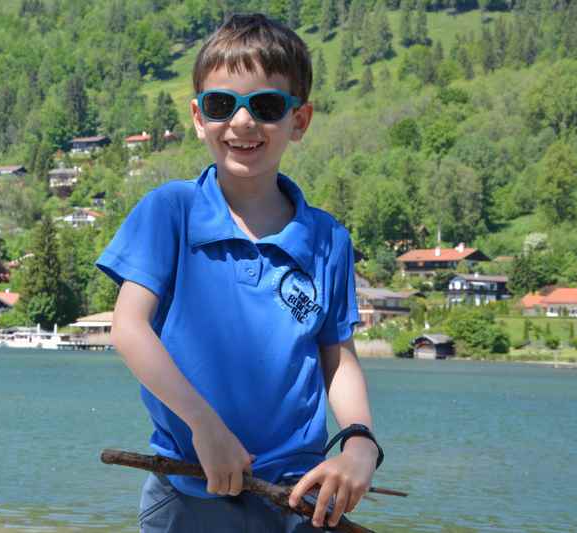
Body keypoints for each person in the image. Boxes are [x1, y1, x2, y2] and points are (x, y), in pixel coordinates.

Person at [96, 13, 382, 533]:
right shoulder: (170, 212)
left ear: (300, 120)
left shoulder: (328, 240)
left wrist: (360, 440)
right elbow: (129, 327)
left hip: (300, 499)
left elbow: (337, 359)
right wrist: (203, 425)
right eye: (222, 104)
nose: (243, 122)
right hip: (186, 493)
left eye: (267, 106)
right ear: (199, 117)